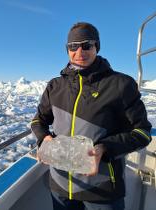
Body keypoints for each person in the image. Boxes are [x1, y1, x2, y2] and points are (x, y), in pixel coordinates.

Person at [31, 22, 152, 210]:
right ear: (67, 49)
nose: (79, 51)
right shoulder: (55, 86)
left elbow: (142, 132)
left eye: (86, 45)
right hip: (60, 186)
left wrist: (105, 148)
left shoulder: (120, 85)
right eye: (73, 46)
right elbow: (39, 120)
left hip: (102, 191)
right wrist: (43, 138)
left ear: (97, 47)